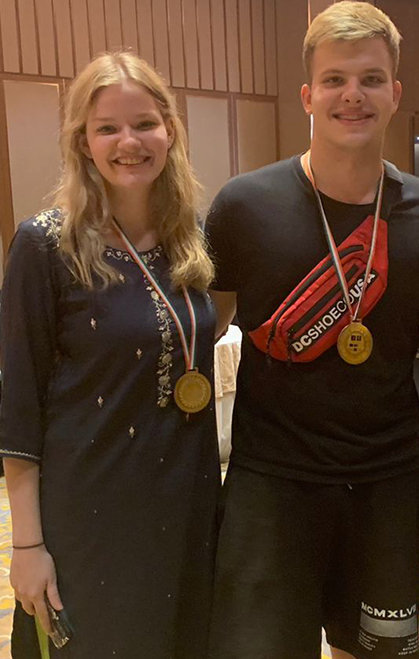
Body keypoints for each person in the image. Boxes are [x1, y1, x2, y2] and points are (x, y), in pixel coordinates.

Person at [205, 3, 419, 658]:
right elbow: (202, 330)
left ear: (395, 93)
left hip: (387, 483)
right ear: (307, 95)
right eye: (335, 79)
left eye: (371, 79)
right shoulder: (243, 205)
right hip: (271, 483)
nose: (353, 95)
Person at [0, 52, 220, 658]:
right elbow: (18, 409)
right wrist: (27, 547)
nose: (130, 142)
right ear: (83, 142)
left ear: (169, 131)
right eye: (108, 128)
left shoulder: (191, 239)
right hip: (91, 510)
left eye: (145, 123)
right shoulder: (45, 246)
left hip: (185, 499)